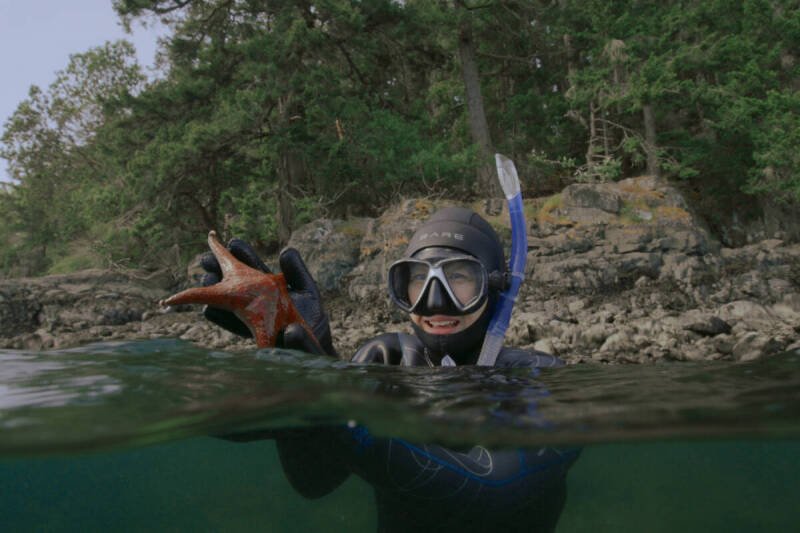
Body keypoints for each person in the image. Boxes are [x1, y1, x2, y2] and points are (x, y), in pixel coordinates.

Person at [201, 207, 579, 532]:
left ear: (496, 288)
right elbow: (315, 482)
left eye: (460, 277)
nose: (434, 301)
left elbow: (492, 490)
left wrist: (336, 408)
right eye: (417, 278)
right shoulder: (387, 360)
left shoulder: (540, 380)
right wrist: (314, 366)